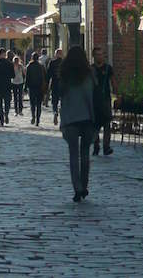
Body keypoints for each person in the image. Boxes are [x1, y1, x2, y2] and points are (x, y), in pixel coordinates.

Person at [58, 45, 97, 202]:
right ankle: (84, 185)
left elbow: (61, 98)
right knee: (85, 153)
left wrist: (62, 120)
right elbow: (90, 98)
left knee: (73, 155)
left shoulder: (65, 75)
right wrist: (94, 120)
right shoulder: (88, 74)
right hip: (87, 118)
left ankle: (77, 187)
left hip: (70, 119)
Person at [91, 46, 115, 156]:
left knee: (106, 123)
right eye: (98, 54)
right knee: (95, 125)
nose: (100, 56)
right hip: (94, 100)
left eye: (101, 54)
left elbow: (113, 82)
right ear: (94, 56)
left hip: (105, 99)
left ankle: (106, 146)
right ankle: (96, 145)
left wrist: (117, 95)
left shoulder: (108, 68)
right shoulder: (91, 69)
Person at [0, 48, 15, 126]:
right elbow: (13, 76)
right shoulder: (10, 64)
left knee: (0, 104)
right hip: (7, 85)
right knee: (7, 102)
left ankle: (1, 121)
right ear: (5, 54)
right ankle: (6, 114)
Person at [26, 53, 46, 125]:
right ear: (38, 58)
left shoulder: (29, 66)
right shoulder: (41, 66)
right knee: (39, 105)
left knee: (32, 104)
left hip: (31, 87)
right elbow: (45, 77)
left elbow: (27, 78)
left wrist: (25, 87)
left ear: (32, 58)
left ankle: (33, 116)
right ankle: (38, 120)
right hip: (40, 87)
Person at [47, 48, 64, 124]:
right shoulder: (65, 63)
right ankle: (62, 113)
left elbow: (48, 75)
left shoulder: (52, 62)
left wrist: (47, 85)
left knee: (54, 101)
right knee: (63, 101)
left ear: (55, 54)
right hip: (63, 85)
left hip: (55, 84)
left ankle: (55, 112)